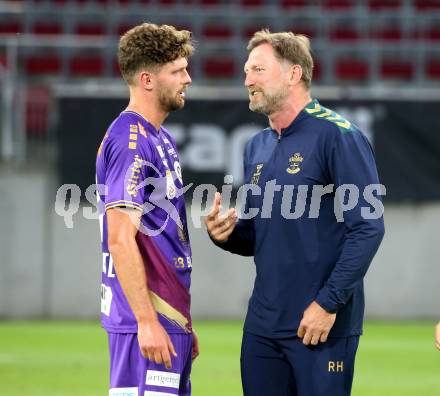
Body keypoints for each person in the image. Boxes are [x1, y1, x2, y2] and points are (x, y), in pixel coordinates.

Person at [205, 29, 385, 396]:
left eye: (257, 69)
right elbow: (259, 235)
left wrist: (328, 303)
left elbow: (368, 228)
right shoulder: (256, 145)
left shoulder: (340, 136)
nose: (247, 80)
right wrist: (227, 234)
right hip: (262, 328)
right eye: (245, 72)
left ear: (293, 74)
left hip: (319, 326)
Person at [96, 23, 198, 396]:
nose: (188, 78)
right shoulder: (131, 141)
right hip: (145, 322)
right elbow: (121, 239)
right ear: (147, 79)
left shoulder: (160, 137)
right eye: (178, 71)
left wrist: (180, 321)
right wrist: (146, 320)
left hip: (168, 318)